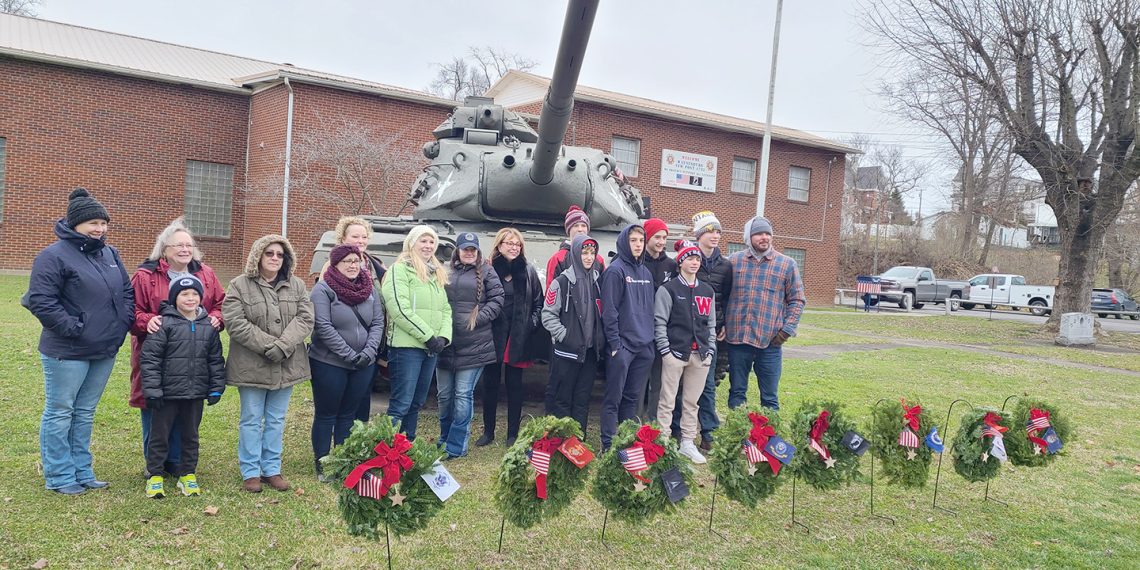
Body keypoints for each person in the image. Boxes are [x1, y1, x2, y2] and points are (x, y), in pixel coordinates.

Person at [25, 188, 133, 495]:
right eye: (92, 223)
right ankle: (59, 475)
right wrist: (75, 328)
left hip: (104, 348)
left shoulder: (110, 254)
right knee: (61, 410)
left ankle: (83, 470)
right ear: (75, 224)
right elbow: (41, 301)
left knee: (85, 412)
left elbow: (125, 292)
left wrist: (121, 323)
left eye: (103, 222)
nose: (99, 229)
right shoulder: (52, 256)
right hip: (67, 351)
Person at [129, 218, 225, 475]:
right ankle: (155, 463)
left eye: (189, 245)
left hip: (194, 354)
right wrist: (148, 320)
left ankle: (177, 461)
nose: (184, 250)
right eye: (178, 245)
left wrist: (217, 316)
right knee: (156, 406)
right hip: (158, 353)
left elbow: (219, 303)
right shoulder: (146, 276)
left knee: (186, 407)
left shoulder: (205, 273)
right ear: (164, 249)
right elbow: (131, 311)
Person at [223, 235, 314, 493]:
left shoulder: (296, 286)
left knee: (276, 419)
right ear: (258, 256)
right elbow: (235, 322)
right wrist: (268, 346)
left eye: (279, 254)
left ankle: (271, 468)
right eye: (269, 253)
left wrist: (284, 345)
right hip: (252, 364)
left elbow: (305, 318)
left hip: (287, 364)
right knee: (251, 418)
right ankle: (250, 471)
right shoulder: (239, 285)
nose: (275, 258)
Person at [139, 276, 226, 498]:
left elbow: (215, 359)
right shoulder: (163, 324)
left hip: (195, 393)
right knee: (160, 435)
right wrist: (152, 391)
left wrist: (216, 387)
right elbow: (150, 360)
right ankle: (155, 475)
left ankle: (187, 474)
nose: (190, 298)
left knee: (191, 435)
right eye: (184, 294)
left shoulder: (208, 326)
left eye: (195, 294)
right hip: (166, 394)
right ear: (174, 297)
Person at [309, 244, 385, 481]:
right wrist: (349, 354)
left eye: (356, 261)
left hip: (364, 364)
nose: (353, 265)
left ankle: (343, 459)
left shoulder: (369, 288)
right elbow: (323, 326)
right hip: (329, 362)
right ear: (335, 264)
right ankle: (323, 461)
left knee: (348, 414)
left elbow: (378, 323)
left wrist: (369, 352)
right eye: (347, 261)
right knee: (327, 414)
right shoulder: (323, 290)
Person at [725, 216, 805, 410]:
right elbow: (721, 295)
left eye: (767, 233)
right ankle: (739, 437)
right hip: (738, 341)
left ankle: (768, 438)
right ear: (749, 237)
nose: (764, 237)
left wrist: (786, 330)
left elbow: (797, 299)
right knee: (737, 393)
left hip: (770, 343)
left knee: (769, 399)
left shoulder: (786, 264)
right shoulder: (733, 262)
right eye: (759, 233)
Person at [380, 225, 451, 441]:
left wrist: (443, 337)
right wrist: (428, 336)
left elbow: (445, 308)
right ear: (412, 243)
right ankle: (386, 450)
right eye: (423, 241)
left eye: (431, 242)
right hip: (407, 347)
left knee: (416, 402)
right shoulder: (399, 270)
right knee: (401, 403)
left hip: (430, 348)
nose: (428, 246)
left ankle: (405, 446)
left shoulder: (435, 273)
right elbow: (399, 308)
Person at [436, 233, 504, 459]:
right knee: (444, 395)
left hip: (475, 344)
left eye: (473, 249)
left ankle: (456, 446)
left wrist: (479, 318)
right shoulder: (445, 270)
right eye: (465, 249)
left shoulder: (486, 271)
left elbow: (497, 298)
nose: (469, 253)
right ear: (457, 250)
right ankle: (444, 438)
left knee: (463, 395)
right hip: (446, 343)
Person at [478, 228, 543, 447]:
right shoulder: (488, 270)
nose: (514, 247)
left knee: (515, 387)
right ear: (499, 245)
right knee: (490, 386)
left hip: (517, 336)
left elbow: (538, 303)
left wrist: (530, 324)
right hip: (493, 335)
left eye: (518, 244)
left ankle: (512, 433)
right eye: (509, 243)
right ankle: (488, 432)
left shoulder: (528, 271)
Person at [675, 210, 732, 451]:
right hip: (685, 332)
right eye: (710, 231)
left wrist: (725, 323)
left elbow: (728, 298)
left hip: (710, 334)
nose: (715, 235)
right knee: (680, 384)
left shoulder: (726, 267)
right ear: (699, 235)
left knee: (707, 385)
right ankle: (677, 430)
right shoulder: (689, 260)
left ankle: (709, 432)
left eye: (718, 231)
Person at [653, 241, 715, 465]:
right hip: (675, 353)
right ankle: (663, 440)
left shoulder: (706, 291)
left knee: (692, 402)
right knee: (667, 399)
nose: (694, 262)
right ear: (680, 262)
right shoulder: (668, 290)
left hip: (700, 355)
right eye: (689, 258)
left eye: (697, 258)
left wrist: (710, 350)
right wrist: (666, 350)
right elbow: (659, 322)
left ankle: (687, 441)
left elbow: (711, 324)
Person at [599, 223, 655, 451]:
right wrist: (615, 345)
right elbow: (609, 311)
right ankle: (608, 445)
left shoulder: (646, 272)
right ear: (624, 242)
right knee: (613, 399)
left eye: (641, 241)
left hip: (644, 347)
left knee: (632, 399)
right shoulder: (615, 270)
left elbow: (649, 308)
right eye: (633, 240)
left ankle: (624, 443)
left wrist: (649, 342)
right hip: (622, 347)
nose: (638, 245)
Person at [541, 234, 605, 434]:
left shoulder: (598, 282)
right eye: (584, 252)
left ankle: (578, 442)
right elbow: (548, 315)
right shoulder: (561, 283)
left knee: (582, 400)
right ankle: (560, 443)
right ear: (575, 253)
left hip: (589, 354)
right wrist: (565, 336)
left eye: (592, 253)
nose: (588, 257)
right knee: (562, 400)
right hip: (567, 353)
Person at [328, 216, 387, 423]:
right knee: (342, 401)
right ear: (343, 238)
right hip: (343, 343)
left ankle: (358, 442)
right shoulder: (333, 265)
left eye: (364, 236)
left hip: (371, 340)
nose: (360, 241)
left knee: (363, 397)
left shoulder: (374, 264)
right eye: (355, 236)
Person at [636, 217, 677, 420]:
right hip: (639, 329)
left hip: (663, 330)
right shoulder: (637, 261)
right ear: (647, 237)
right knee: (637, 381)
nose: (661, 242)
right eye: (657, 237)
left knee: (658, 382)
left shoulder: (671, 265)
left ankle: (652, 423)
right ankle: (634, 422)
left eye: (664, 237)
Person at [545, 205, 605, 288]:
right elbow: (551, 290)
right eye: (575, 226)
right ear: (569, 229)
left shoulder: (598, 260)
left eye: (583, 226)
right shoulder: (558, 259)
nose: (580, 229)